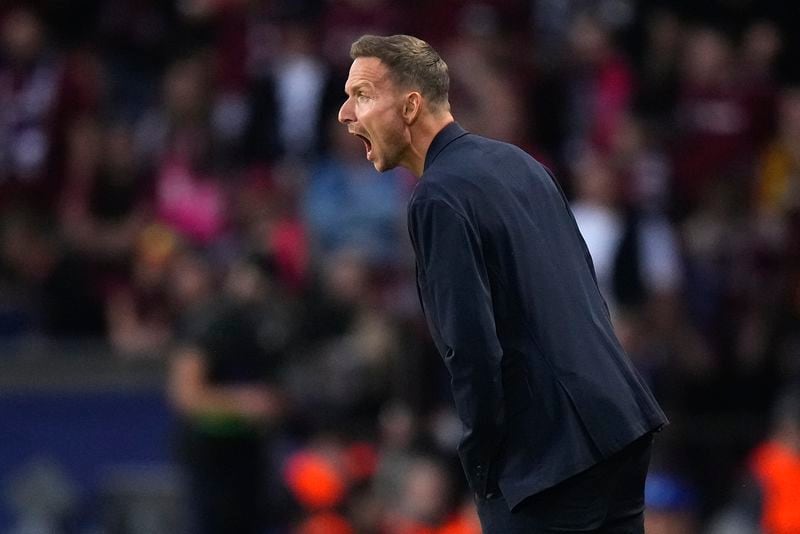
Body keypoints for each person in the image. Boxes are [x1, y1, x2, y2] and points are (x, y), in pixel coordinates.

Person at [337, 34, 668, 533]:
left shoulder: (438, 197)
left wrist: (480, 463)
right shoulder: (519, 162)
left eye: (361, 95)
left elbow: (471, 348)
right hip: (618, 426)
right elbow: (586, 294)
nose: (345, 113)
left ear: (410, 106)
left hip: (547, 458)